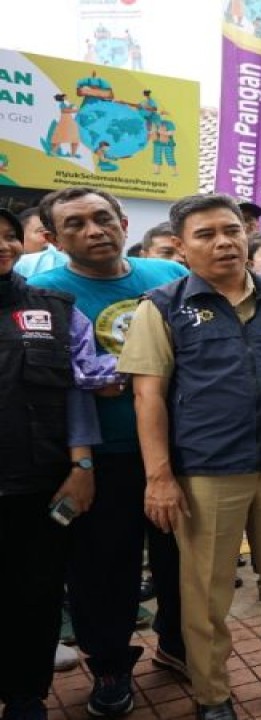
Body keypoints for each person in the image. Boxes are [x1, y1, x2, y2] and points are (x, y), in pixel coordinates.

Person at [120, 194, 261, 720]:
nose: (224, 242)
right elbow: (147, 396)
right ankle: (212, 693)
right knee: (205, 592)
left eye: (231, 230)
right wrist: (160, 477)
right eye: (206, 234)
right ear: (180, 246)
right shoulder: (162, 305)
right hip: (206, 470)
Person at [29, 186, 189, 716]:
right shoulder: (41, 291)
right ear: (52, 238)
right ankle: (111, 668)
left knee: (182, 559)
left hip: (178, 448)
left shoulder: (168, 279)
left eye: (103, 218)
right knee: (102, 570)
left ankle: (177, 644)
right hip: (98, 457)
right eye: (75, 224)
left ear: (123, 221)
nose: (94, 230)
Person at [0, 208, 102, 720]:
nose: (1, 245)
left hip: (36, 485)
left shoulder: (56, 308)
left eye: (7, 236)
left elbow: (81, 386)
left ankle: (26, 695)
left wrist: (81, 467)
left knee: (35, 596)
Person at [13, 208, 69, 279]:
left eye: (55, 231)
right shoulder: (16, 265)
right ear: (19, 236)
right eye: (42, 231)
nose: (51, 238)